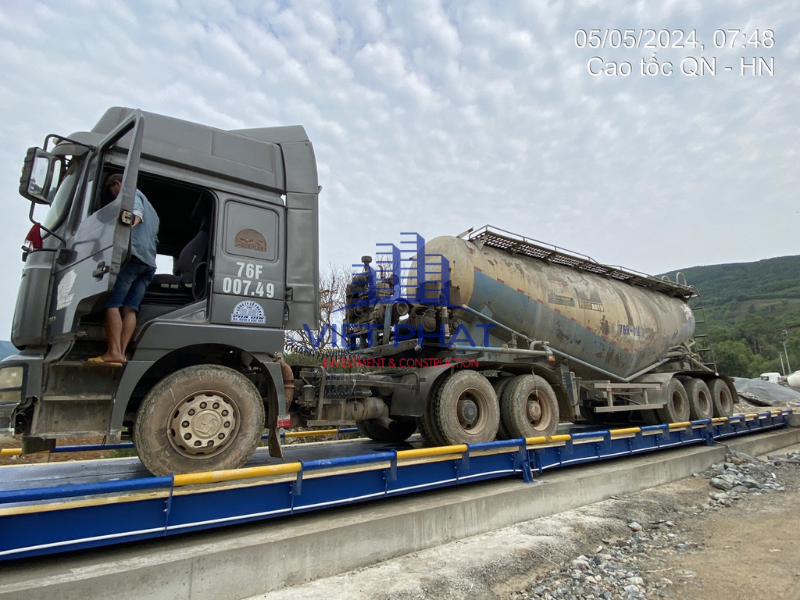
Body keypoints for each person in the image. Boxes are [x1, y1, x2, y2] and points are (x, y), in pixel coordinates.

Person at [89, 173, 159, 365]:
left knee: (113, 304)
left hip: (133, 258)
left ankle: (113, 352)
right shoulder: (154, 213)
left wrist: (125, 228)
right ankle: (120, 352)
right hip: (149, 264)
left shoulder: (132, 194)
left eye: (112, 191)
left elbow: (136, 214)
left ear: (118, 184)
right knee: (130, 309)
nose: (114, 196)